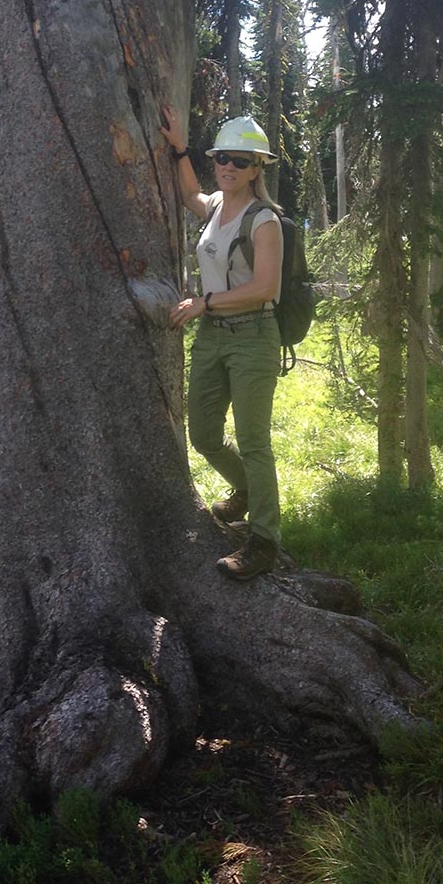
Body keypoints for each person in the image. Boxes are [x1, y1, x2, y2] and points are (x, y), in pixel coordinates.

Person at [160, 107, 284, 580]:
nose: (227, 166)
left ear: (257, 168)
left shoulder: (264, 221)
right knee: (204, 435)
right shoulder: (215, 206)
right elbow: (190, 193)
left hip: (253, 335)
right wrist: (178, 148)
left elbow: (264, 288)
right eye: (222, 158)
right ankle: (246, 489)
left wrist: (204, 303)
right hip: (213, 336)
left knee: (255, 442)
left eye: (239, 159)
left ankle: (264, 540)